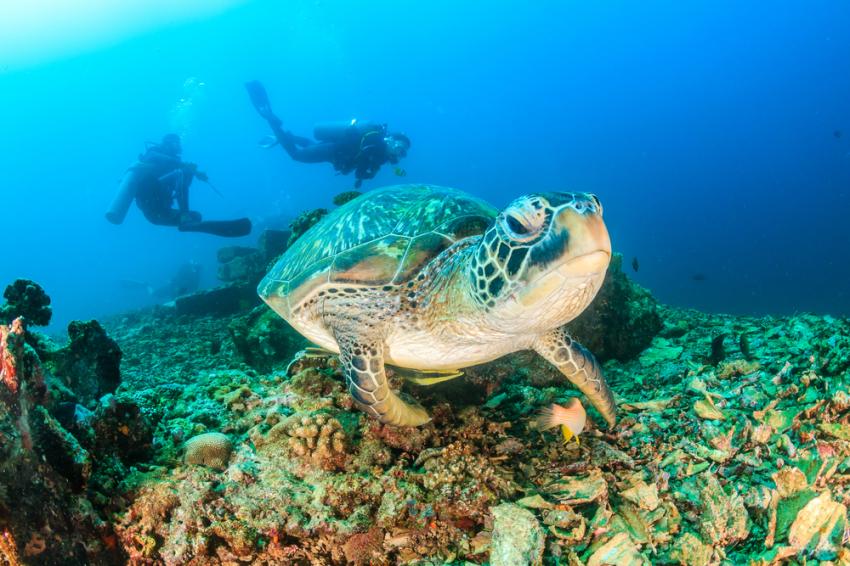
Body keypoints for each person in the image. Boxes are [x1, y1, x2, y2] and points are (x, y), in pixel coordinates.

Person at [245, 80, 410, 188]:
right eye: (400, 149)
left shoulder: (380, 152)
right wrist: (365, 176)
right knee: (295, 155)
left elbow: (364, 163)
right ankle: (272, 121)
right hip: (332, 151)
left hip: (333, 152)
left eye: (403, 154)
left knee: (311, 145)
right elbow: (361, 168)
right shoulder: (375, 143)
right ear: (391, 140)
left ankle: (284, 137)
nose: (399, 155)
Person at [105, 134, 252, 238]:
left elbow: (178, 170)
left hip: (161, 213)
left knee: (197, 216)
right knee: (183, 172)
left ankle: (186, 219)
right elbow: (156, 158)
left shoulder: (171, 163)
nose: (179, 146)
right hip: (151, 210)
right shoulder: (153, 153)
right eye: (176, 142)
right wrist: (186, 167)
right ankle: (185, 216)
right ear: (167, 144)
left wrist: (196, 173)